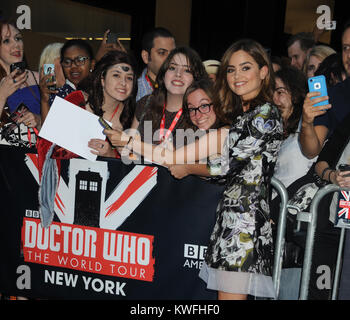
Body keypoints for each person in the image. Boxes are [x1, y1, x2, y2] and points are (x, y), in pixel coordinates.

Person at [104, 39, 283, 300]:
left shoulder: (265, 114)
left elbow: (225, 165)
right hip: (229, 222)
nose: (237, 76)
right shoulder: (240, 119)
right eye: (231, 70)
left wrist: (187, 166)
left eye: (245, 68)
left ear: (263, 72)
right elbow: (174, 156)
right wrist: (130, 142)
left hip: (244, 224)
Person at [132, 46, 208, 148]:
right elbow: (128, 152)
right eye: (172, 68)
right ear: (163, 75)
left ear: (196, 79)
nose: (178, 74)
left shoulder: (201, 114)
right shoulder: (146, 103)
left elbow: (203, 163)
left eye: (187, 70)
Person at [299, 21, 350, 159]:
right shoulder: (331, 96)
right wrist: (306, 122)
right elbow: (311, 151)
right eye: (346, 48)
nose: (349, 54)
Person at [41, 39, 96, 122]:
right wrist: (44, 101)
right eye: (67, 62)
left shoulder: (103, 91)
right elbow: (49, 132)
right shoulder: (58, 96)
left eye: (80, 60)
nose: (73, 66)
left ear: (92, 64)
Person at [0, 20, 41, 129]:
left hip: (37, 145)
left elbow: (57, 127)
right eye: (7, 40)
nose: (16, 45)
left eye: (18, 38)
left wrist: (38, 120)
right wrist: (2, 95)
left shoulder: (39, 78)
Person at [136, 27, 176, 102]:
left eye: (173, 53)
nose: (170, 59)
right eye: (162, 53)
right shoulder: (132, 91)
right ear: (146, 57)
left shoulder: (182, 90)